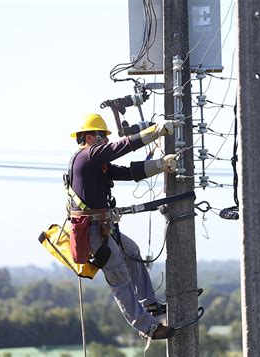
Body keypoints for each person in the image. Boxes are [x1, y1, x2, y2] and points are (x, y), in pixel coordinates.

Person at [68, 113, 177, 340]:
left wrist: (160, 165)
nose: (105, 140)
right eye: (101, 135)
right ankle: (148, 327)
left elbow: (128, 172)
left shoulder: (96, 164)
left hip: (102, 228)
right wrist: (155, 131)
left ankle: (151, 305)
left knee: (132, 251)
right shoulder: (86, 157)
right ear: (88, 137)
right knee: (119, 276)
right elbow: (121, 147)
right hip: (93, 232)